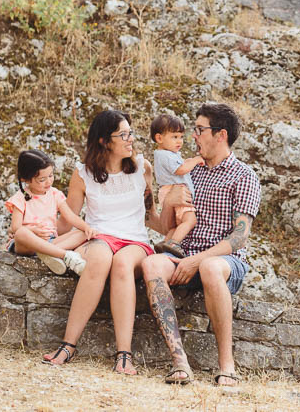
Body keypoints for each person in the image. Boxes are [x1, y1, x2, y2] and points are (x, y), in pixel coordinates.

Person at [142, 102, 261, 386]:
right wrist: (164, 199)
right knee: (151, 262)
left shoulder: (244, 176)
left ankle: (227, 366)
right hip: (184, 253)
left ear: (220, 135)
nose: (192, 136)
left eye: (199, 130)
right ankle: (179, 362)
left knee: (208, 267)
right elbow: (166, 227)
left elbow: (239, 237)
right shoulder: (187, 171)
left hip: (224, 260)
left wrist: (197, 260)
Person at [43, 110, 159, 375]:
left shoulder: (143, 167)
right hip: (99, 237)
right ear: (105, 141)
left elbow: (151, 215)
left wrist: (180, 219)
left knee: (121, 263)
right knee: (101, 258)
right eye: (124, 135)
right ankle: (68, 345)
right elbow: (67, 220)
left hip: (135, 243)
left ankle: (124, 355)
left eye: (131, 133)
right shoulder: (82, 174)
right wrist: (37, 228)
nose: (131, 139)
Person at [5, 150, 94, 276]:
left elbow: (70, 216)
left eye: (51, 176)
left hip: (50, 241)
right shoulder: (20, 198)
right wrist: (33, 230)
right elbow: (15, 227)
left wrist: (86, 227)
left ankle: (48, 253)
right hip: (27, 244)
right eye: (42, 179)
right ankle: (64, 255)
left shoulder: (55, 194)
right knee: (21, 233)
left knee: (82, 233)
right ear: (26, 179)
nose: (48, 182)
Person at [150, 114, 205, 258]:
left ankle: (165, 242)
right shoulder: (166, 155)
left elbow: (178, 167)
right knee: (190, 220)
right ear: (159, 138)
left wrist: (187, 161)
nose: (179, 141)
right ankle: (174, 243)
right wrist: (195, 161)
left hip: (168, 191)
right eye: (174, 137)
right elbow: (180, 170)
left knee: (175, 225)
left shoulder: (164, 154)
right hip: (176, 192)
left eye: (181, 137)